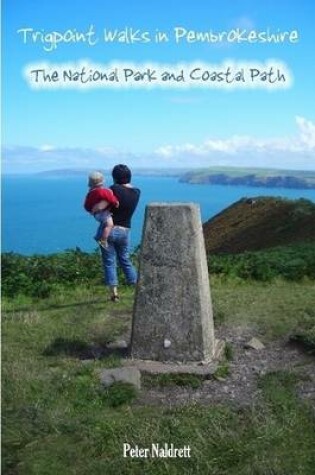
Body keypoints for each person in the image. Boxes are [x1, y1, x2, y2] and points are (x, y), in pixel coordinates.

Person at [94, 164, 140, 302]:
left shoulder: (113, 189)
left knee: (109, 262)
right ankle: (137, 285)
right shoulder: (137, 192)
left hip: (109, 231)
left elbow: (100, 206)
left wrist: (94, 209)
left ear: (114, 178)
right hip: (125, 231)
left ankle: (114, 294)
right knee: (124, 259)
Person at [84, 171, 119, 248]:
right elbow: (110, 198)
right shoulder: (103, 191)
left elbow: (86, 205)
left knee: (104, 223)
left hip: (96, 215)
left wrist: (91, 211)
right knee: (110, 225)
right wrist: (116, 202)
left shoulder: (90, 193)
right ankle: (103, 239)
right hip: (103, 213)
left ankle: (98, 235)